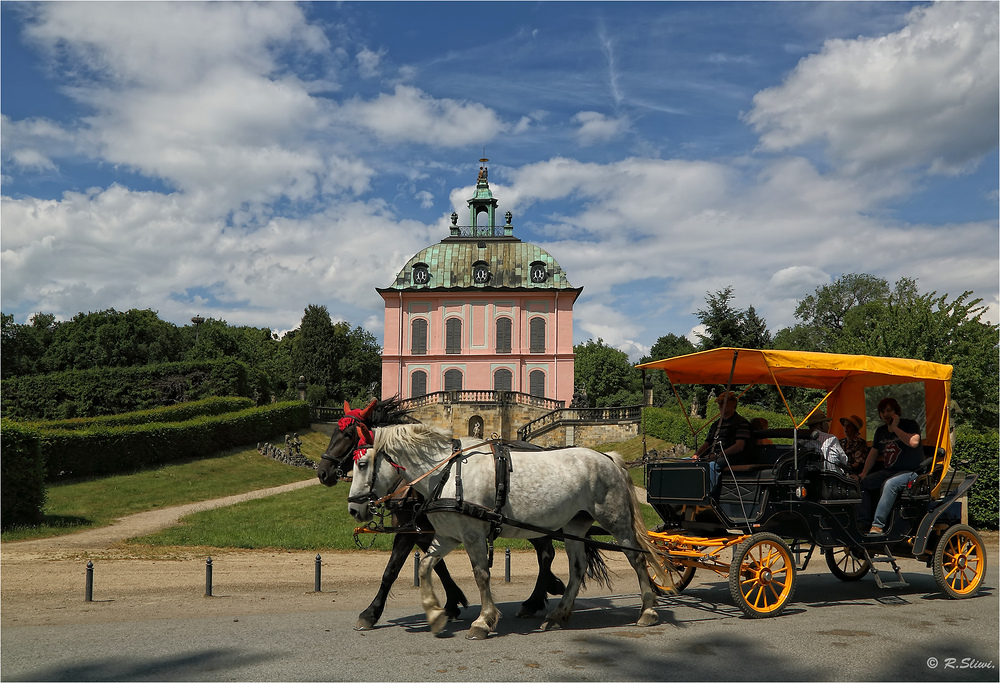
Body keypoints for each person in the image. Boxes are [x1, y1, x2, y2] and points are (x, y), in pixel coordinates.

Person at [858, 398, 923, 536]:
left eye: (889, 410)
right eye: (882, 412)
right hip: (889, 471)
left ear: (896, 412)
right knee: (865, 483)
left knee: (890, 484)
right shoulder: (880, 431)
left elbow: (914, 442)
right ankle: (863, 523)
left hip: (911, 472)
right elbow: (873, 453)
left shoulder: (909, 424)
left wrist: (895, 428)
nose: (885, 414)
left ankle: (877, 525)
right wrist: (863, 473)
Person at [695, 391, 751, 489]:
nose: (720, 406)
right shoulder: (716, 424)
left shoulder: (741, 423)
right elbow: (707, 443)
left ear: (733, 403)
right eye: (719, 403)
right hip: (712, 457)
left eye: (723, 403)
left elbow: (739, 446)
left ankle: (709, 497)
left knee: (711, 466)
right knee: (685, 463)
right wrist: (696, 455)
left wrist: (718, 455)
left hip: (732, 458)